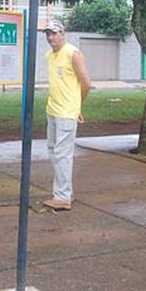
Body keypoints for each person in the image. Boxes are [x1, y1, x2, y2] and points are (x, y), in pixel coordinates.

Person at [42, 19, 91, 211]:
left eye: (54, 33)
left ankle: (62, 197)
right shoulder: (49, 55)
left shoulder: (73, 54)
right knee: (53, 152)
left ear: (63, 33)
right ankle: (63, 192)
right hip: (52, 110)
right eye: (47, 33)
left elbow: (86, 83)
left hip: (66, 113)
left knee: (62, 155)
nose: (50, 37)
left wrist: (77, 107)